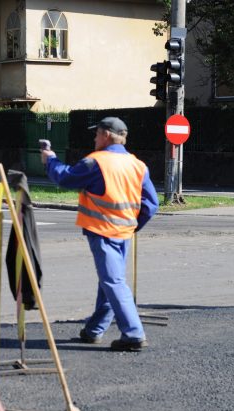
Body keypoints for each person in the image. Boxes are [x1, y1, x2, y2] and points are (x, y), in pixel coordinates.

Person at [40, 117, 159, 352]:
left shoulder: (96, 162)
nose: (94, 139)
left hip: (102, 230)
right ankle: (94, 330)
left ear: (105, 135)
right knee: (109, 280)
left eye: (96, 135)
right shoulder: (138, 165)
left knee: (112, 281)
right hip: (124, 231)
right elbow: (151, 204)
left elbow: (65, 178)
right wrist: (133, 225)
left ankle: (134, 334)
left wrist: (50, 160)